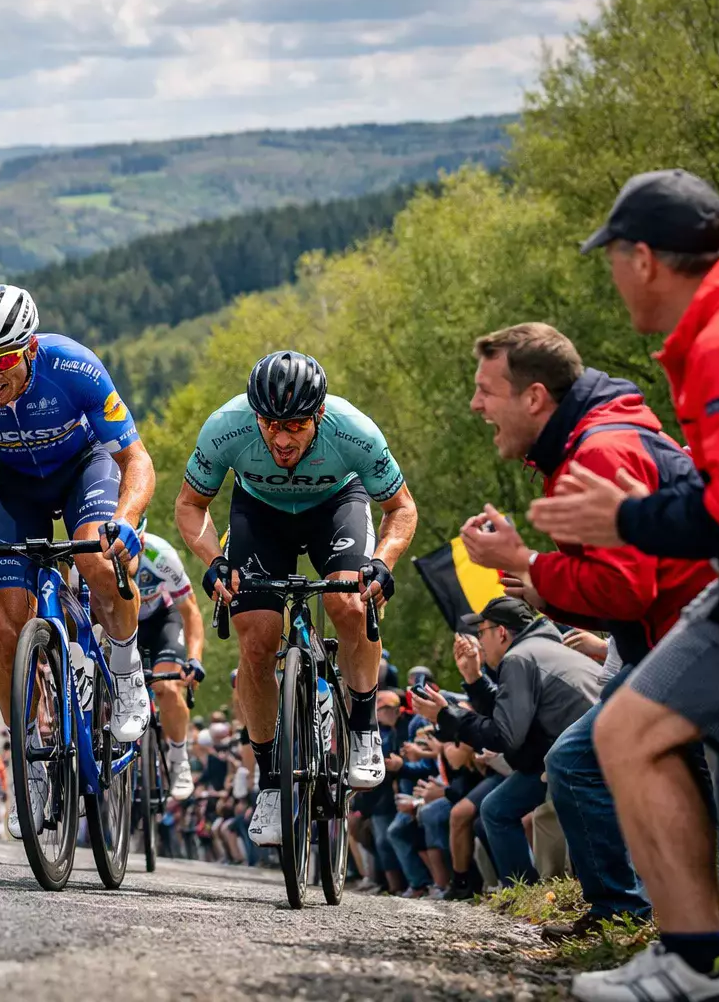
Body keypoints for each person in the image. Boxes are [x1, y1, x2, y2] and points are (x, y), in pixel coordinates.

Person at [526, 169, 719, 999]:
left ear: (643, 258)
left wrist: (626, 520)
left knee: (626, 734)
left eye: (611, 258)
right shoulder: (707, 327)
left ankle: (692, 961)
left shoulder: (716, 343)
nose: (612, 278)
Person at [461, 321, 711, 936]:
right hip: (674, 640)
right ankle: (660, 924)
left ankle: (631, 914)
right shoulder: (584, 446)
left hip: (696, 638)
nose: (475, 405)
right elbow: (615, 595)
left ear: (535, 397)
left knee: (579, 758)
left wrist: (530, 565)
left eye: (486, 390)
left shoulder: (598, 452)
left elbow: (628, 591)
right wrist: (544, 583)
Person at [0, 283, 155, 839]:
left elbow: (134, 457)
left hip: (84, 469)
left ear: (28, 349)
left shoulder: (74, 366)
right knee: (4, 625)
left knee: (98, 562)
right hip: (8, 485)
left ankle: (123, 668)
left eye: (2, 361)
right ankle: (31, 753)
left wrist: (124, 517)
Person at [174, 350, 419, 846]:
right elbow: (189, 504)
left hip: (336, 508)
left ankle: (364, 726)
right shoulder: (226, 426)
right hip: (259, 516)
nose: (282, 440)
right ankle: (270, 781)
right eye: (270, 425)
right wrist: (213, 561)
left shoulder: (354, 431)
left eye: (297, 426)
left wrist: (383, 562)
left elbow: (401, 507)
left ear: (320, 416)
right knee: (257, 640)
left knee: (349, 602)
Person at [413, 598, 599, 885]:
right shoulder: (538, 649)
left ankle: (523, 891)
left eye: (482, 631)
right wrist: (474, 679)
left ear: (501, 632)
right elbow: (513, 718)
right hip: (569, 753)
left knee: (498, 809)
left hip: (580, 759)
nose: (478, 640)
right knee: (497, 807)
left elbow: (504, 735)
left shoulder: (519, 658)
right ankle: (523, 891)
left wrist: (445, 715)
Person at [132, 517, 205, 800]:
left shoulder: (159, 554)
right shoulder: (96, 556)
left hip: (163, 619)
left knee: (167, 687)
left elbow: (190, 611)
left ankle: (178, 758)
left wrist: (194, 658)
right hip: (120, 624)